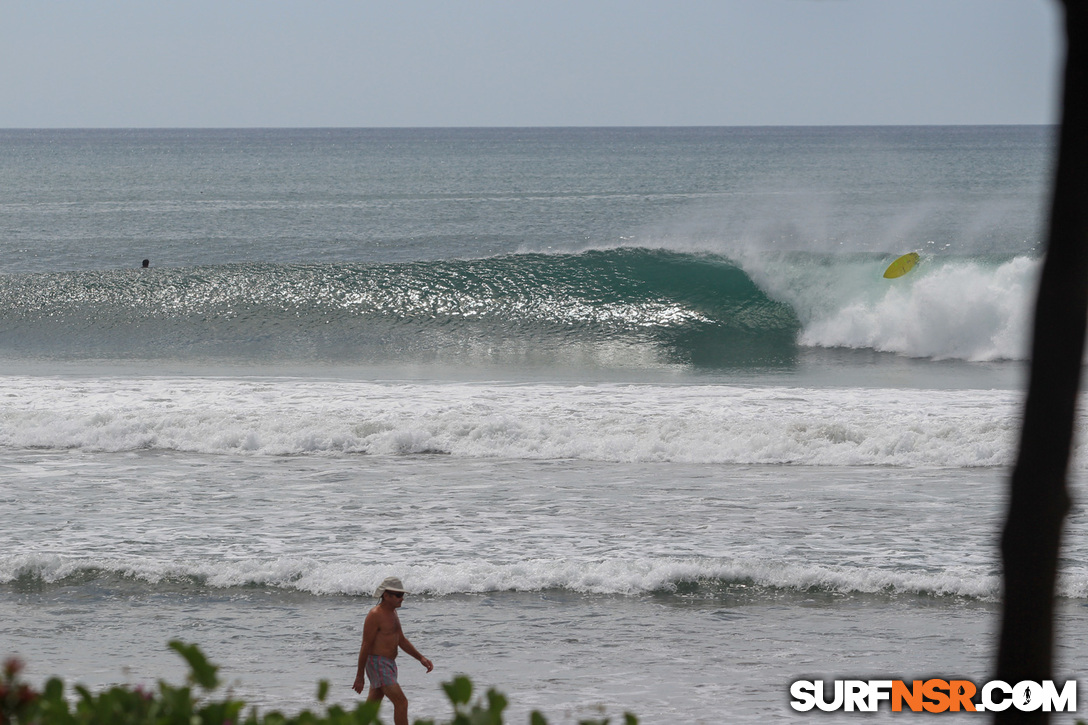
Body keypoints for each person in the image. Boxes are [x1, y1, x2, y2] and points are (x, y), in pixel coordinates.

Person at [352, 576, 433, 725]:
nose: (402, 598)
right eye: (398, 595)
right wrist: (359, 676)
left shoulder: (393, 612)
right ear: (386, 595)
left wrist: (421, 658)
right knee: (401, 702)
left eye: (402, 595)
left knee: (371, 707)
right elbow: (365, 645)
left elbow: (401, 640)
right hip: (378, 664)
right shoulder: (375, 615)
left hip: (389, 664)